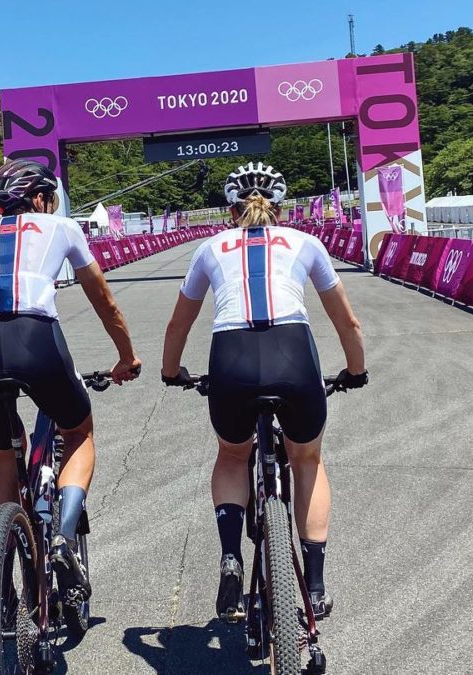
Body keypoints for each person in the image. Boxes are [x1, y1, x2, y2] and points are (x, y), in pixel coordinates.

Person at [160, 162, 368, 621]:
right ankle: (313, 586)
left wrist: (171, 372)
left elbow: (179, 323)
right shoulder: (306, 243)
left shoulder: (210, 248)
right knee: (307, 459)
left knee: (233, 455)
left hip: (230, 355)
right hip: (292, 352)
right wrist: (356, 370)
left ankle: (231, 554)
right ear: (280, 203)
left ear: (230, 208)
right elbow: (346, 322)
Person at [0, 159, 142, 603]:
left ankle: (2, 581)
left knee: (3, 459)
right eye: (49, 197)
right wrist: (126, 357)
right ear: (38, 199)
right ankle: (64, 536)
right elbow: (104, 301)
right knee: (79, 431)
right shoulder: (62, 227)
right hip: (35, 337)